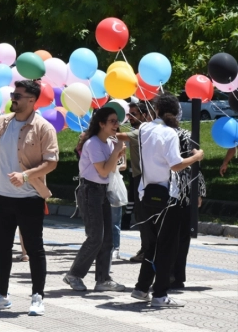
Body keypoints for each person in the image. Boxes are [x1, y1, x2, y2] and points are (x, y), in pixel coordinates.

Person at [0, 80, 59, 316]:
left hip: (29, 197)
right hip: (0, 196)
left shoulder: (43, 128)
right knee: (2, 248)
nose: (14, 98)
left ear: (32, 101)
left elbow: (51, 162)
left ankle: (37, 297)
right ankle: (1, 295)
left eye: (19, 96)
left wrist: (26, 175)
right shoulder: (0, 122)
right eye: (13, 94)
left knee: (34, 249)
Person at [131, 94, 203, 307]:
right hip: (166, 196)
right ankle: (160, 294)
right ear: (176, 113)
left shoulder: (144, 129)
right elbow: (176, 164)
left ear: (156, 110)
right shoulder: (169, 133)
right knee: (167, 247)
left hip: (145, 192)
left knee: (152, 243)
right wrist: (196, 157)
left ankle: (142, 287)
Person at [63, 107, 127, 293]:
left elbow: (113, 168)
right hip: (90, 191)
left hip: (103, 190)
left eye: (117, 121)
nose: (117, 125)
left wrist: (117, 154)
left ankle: (103, 279)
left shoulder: (107, 142)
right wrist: (116, 152)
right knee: (95, 237)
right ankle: (74, 274)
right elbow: (103, 170)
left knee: (107, 238)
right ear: (102, 124)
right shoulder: (93, 143)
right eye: (113, 121)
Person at [117, 102, 154, 263]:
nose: (130, 117)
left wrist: (102, 128)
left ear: (145, 115)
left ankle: (148, 250)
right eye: (129, 114)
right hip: (139, 176)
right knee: (141, 216)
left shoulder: (143, 130)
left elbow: (120, 137)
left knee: (144, 216)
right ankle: (147, 248)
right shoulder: (140, 130)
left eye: (134, 114)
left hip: (145, 178)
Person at [171, 125, 206, 289]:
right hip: (185, 190)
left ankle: (170, 274)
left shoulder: (155, 132)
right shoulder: (186, 134)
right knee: (182, 237)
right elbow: (196, 165)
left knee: (170, 236)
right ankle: (177, 276)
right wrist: (198, 191)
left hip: (168, 188)